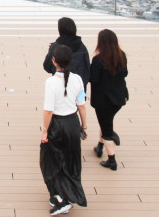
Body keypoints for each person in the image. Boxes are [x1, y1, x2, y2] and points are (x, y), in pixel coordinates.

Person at [40, 44, 88, 214]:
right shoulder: (78, 79)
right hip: (72, 123)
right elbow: (81, 105)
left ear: (54, 61)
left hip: (57, 125)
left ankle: (60, 197)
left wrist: (44, 129)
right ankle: (66, 195)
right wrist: (84, 126)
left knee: (51, 161)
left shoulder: (51, 82)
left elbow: (48, 110)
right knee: (70, 160)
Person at [90, 29, 128, 171]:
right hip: (118, 98)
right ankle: (100, 146)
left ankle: (111, 160)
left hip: (103, 101)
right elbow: (125, 73)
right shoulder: (121, 56)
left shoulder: (98, 60)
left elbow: (93, 79)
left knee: (106, 129)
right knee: (105, 121)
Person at [43, 17, 90, 93]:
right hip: (78, 89)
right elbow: (87, 69)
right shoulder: (82, 47)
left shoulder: (55, 47)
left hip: (60, 89)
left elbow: (47, 67)